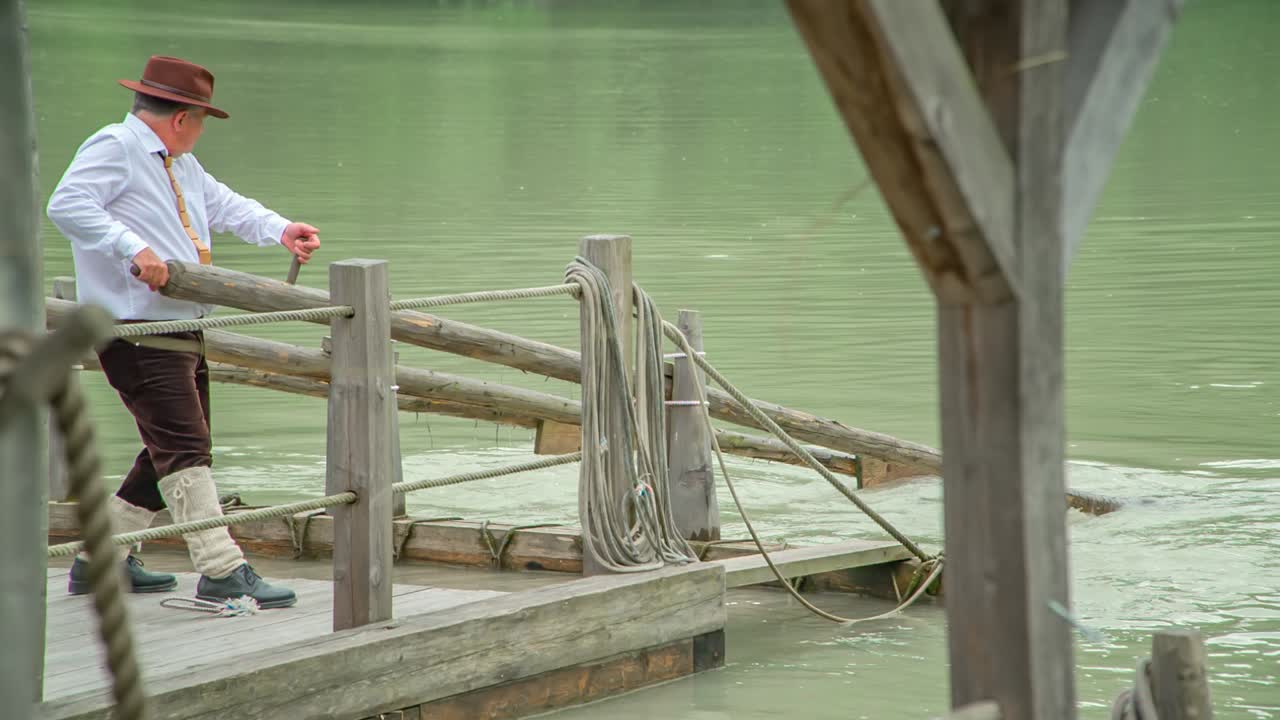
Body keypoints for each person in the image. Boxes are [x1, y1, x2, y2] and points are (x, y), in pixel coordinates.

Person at [47, 55, 321, 608]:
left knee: (167, 450)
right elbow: (66, 204)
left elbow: (222, 205)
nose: (200, 131)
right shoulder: (115, 146)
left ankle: (101, 563)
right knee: (184, 446)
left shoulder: (177, 162)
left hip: (177, 325)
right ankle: (222, 569)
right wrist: (134, 249)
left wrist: (281, 229)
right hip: (135, 327)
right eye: (201, 119)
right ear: (183, 117)